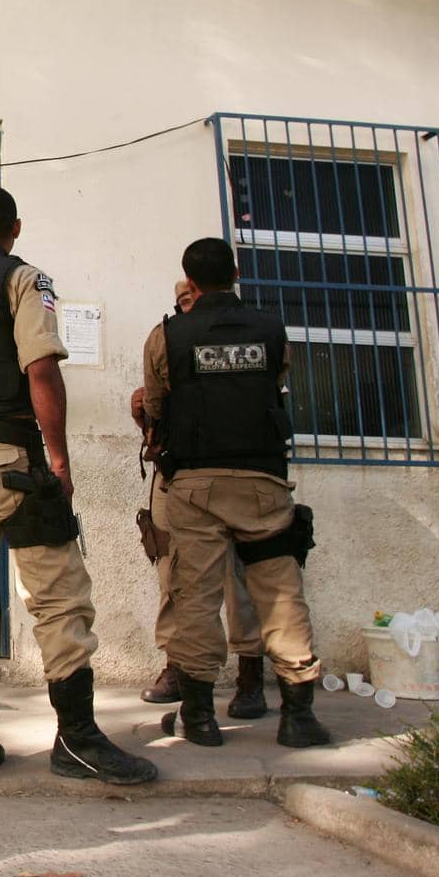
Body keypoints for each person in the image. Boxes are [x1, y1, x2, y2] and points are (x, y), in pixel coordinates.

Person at [0, 185, 157, 785]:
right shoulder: (23, 279)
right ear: (13, 229)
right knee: (59, 596)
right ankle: (77, 741)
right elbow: (40, 368)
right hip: (11, 459)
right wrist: (59, 461)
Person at [141, 237, 329, 749]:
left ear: (190, 281)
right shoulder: (271, 329)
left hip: (196, 486)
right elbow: (275, 381)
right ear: (236, 273)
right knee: (281, 593)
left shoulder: (169, 335)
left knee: (195, 598)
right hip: (263, 482)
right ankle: (298, 715)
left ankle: (199, 719)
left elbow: (155, 406)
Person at [132, 281, 268, 719]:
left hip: (240, 472)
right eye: (186, 302)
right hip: (178, 476)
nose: (194, 308)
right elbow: (153, 405)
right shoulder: (169, 340)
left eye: (198, 298)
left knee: (241, 579)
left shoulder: (253, 335)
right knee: (174, 576)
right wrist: (146, 416)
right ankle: (177, 668)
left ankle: (250, 675)